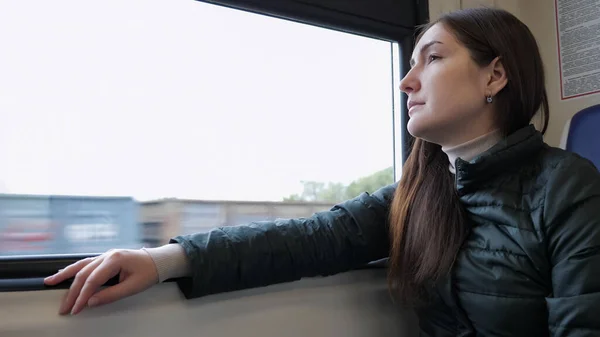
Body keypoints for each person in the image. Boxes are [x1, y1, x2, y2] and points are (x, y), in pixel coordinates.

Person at [45, 7, 600, 336]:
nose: (406, 83)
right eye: (407, 65)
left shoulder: (567, 188)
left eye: (431, 59)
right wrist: (162, 259)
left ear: (494, 76)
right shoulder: (422, 192)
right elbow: (307, 240)